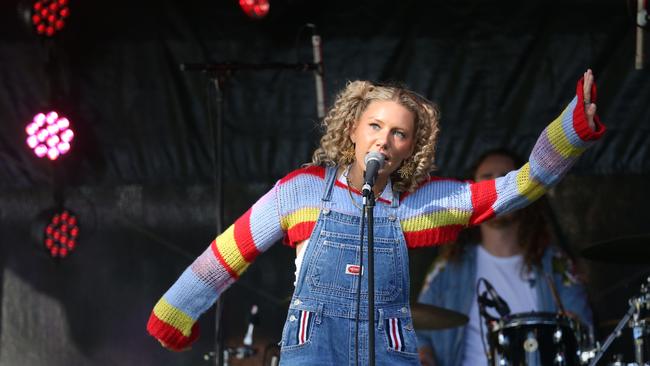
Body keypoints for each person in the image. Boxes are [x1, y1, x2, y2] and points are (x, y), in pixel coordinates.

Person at [146, 70, 604, 365]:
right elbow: (228, 252)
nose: (384, 140)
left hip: (388, 351)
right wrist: (174, 312)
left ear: (411, 148)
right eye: (375, 126)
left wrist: (573, 131)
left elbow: (519, 187)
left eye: (399, 133)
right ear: (352, 130)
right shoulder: (302, 189)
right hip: (314, 350)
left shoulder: (420, 204)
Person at [415, 148, 594, 366]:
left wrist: (572, 325)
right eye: (487, 178)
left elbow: (583, 327)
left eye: (505, 178)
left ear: (525, 191)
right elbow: (418, 331)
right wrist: (424, 357)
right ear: (471, 192)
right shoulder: (448, 267)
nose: (496, 187)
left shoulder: (556, 263)